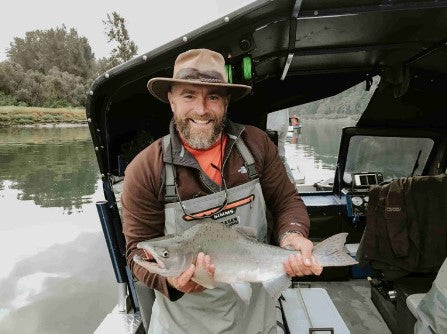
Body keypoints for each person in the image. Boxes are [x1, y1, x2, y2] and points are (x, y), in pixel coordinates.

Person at [122, 48, 322, 334]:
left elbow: (286, 200)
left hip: (255, 318)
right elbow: (136, 254)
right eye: (189, 95)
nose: (201, 110)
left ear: (226, 102)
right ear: (171, 99)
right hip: (185, 325)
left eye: (213, 96)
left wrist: (292, 235)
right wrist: (173, 282)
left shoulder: (256, 144)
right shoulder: (144, 170)